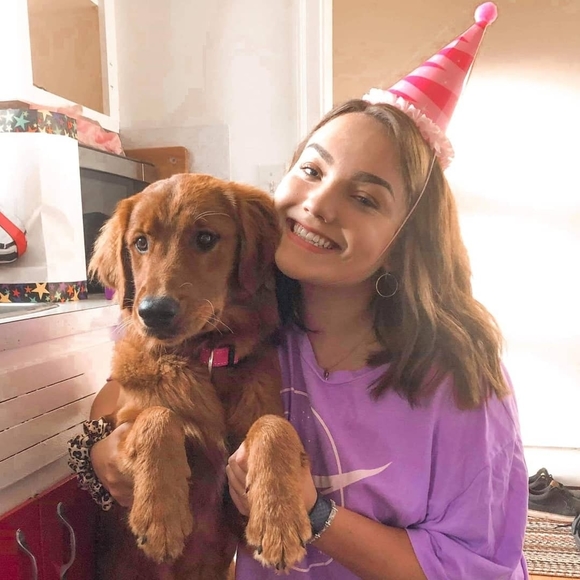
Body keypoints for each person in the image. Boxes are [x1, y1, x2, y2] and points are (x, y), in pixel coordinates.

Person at [81, 3, 530, 578]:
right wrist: (100, 454)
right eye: (312, 171)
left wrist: (316, 514)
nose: (318, 204)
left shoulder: (459, 377)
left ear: (407, 240)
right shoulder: (237, 322)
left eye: (364, 198)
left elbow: (478, 566)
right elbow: (120, 398)